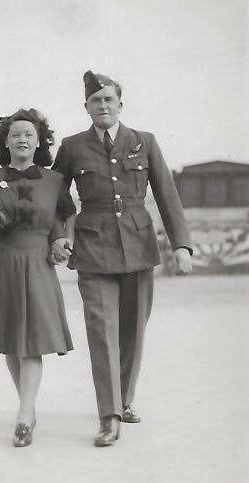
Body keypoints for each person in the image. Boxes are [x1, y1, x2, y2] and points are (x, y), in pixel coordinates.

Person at [52, 70, 193, 447]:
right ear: (86, 107)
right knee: (102, 333)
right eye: (95, 101)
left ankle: (125, 399)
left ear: (119, 104)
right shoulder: (71, 147)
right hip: (93, 249)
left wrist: (181, 245)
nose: (102, 105)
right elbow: (56, 197)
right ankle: (109, 415)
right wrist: (59, 236)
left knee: (133, 328)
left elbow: (167, 194)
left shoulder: (143, 142)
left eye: (108, 99)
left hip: (138, 247)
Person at [0, 108, 75, 447]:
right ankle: (27, 408)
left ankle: (25, 414)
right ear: (6, 141)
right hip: (4, 261)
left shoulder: (55, 180)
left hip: (38, 262)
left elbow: (65, 219)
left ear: (40, 140)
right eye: (15, 134)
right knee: (11, 342)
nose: (22, 139)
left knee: (31, 342)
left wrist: (62, 241)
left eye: (28, 133)